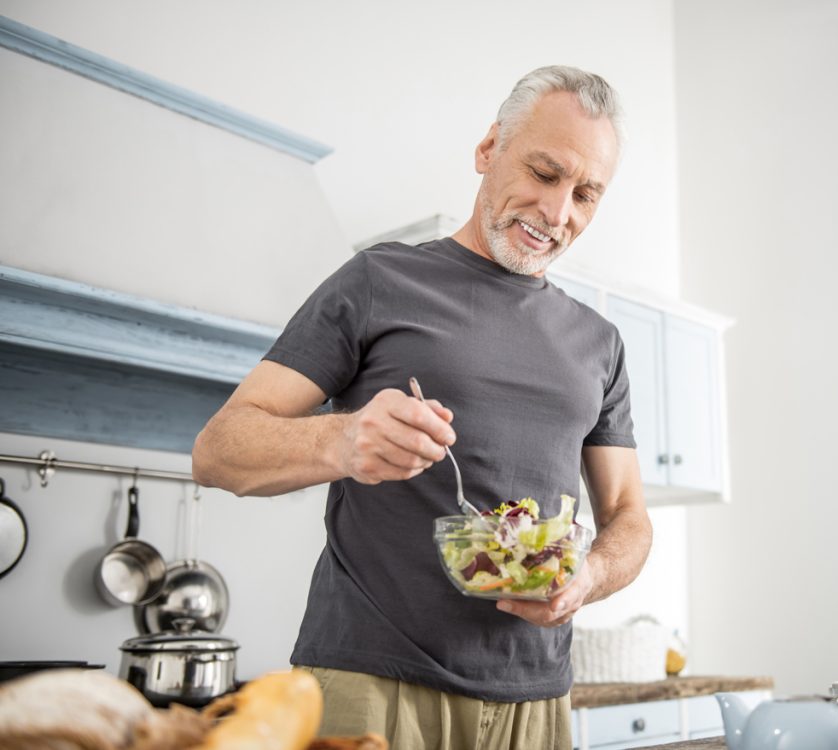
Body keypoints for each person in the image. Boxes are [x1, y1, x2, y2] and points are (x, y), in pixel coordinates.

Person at [192, 65, 652, 750]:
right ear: (488, 150)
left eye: (586, 193)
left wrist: (590, 576)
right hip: (372, 683)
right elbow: (218, 451)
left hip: (538, 698)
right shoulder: (379, 281)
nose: (558, 214)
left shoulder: (599, 342)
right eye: (545, 173)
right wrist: (341, 441)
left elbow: (627, 519)